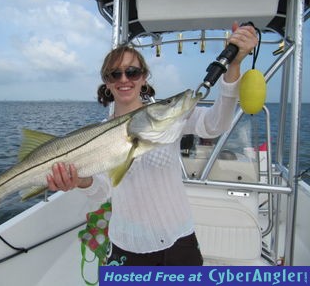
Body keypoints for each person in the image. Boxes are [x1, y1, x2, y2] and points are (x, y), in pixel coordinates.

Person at [46, 22, 258, 266]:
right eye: (115, 74)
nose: (124, 79)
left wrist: (234, 66)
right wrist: (80, 181)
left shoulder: (168, 116)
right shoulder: (100, 136)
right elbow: (102, 190)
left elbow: (216, 124)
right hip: (129, 245)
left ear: (144, 78)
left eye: (132, 72)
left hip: (180, 239)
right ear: (107, 82)